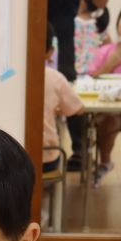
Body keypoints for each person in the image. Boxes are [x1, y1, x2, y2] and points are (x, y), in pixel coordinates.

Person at [48, 0, 109, 170]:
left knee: (70, 88)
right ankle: (45, 149)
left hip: (66, 32)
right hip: (33, 24)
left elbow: (100, 3)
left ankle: (79, 151)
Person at [88, 0, 121, 188]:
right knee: (111, 120)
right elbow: (89, 81)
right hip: (108, 108)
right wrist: (110, 64)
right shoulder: (104, 51)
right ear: (117, 23)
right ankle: (105, 162)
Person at [44, 22, 84, 174]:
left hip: (10, 155)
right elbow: (78, 109)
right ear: (50, 52)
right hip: (46, 158)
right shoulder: (56, 78)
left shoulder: (6, 77)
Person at [75, 0, 112, 75]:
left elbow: (108, 47)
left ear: (84, 1)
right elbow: (108, 46)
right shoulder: (98, 22)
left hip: (89, 70)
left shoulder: (98, 22)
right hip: (91, 69)